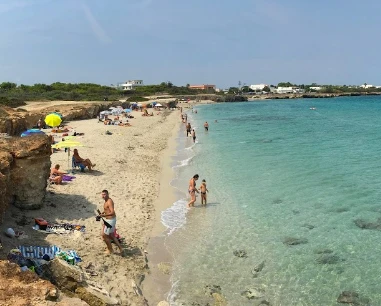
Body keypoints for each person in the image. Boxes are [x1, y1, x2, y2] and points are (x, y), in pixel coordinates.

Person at [100, 190, 124, 255]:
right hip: (110, 220)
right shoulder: (106, 201)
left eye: (104, 194)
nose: (103, 196)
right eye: (102, 194)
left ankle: (110, 250)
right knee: (111, 235)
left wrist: (104, 215)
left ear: (108, 194)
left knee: (104, 235)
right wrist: (103, 212)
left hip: (110, 221)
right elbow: (107, 210)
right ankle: (121, 248)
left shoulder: (109, 201)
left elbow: (112, 212)